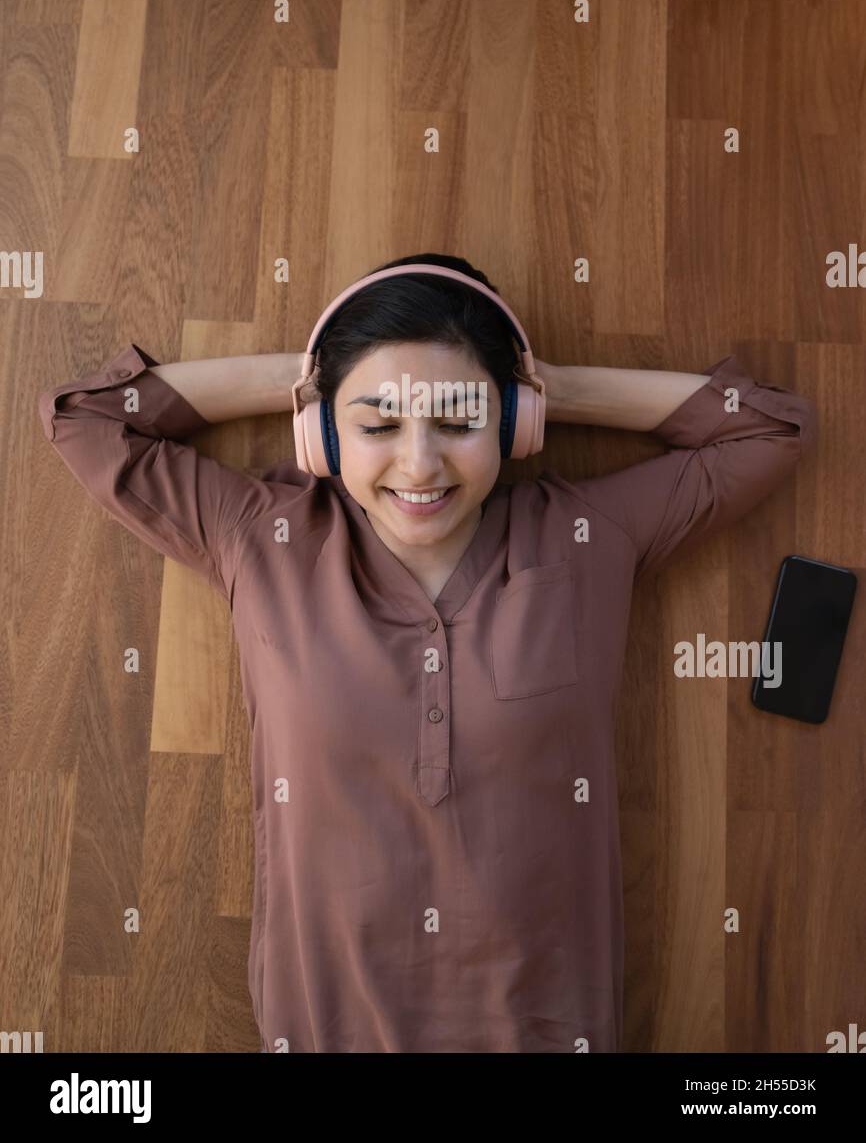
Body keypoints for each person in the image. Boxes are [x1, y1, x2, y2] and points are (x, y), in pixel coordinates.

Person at [37, 252, 818, 1052]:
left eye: (459, 420)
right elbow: (87, 421)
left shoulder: (588, 535)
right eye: (378, 425)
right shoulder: (262, 536)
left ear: (511, 425)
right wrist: (316, 375)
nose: (419, 464)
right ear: (321, 433)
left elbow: (769, 429)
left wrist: (545, 391)